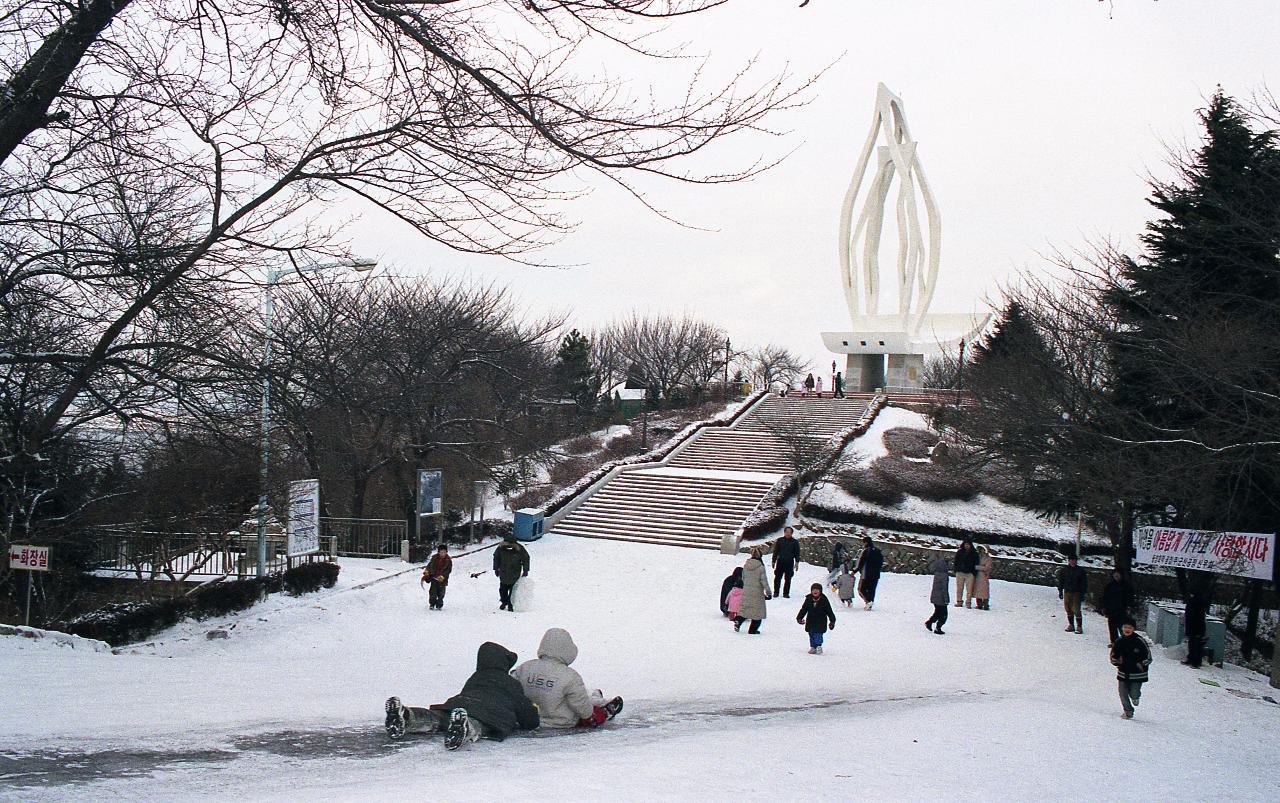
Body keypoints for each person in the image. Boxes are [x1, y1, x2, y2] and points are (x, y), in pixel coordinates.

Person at [384, 641, 540, 749]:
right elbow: (527, 716)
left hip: (461, 703)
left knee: (438, 717)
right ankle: (465, 727)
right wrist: (533, 714)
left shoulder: (476, 677)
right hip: (491, 715)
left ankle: (408, 716)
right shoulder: (510, 682)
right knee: (478, 724)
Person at [511, 628, 623, 729]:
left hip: (528, 720)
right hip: (560, 722)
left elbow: (511, 689)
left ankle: (594, 698)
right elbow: (582, 708)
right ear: (568, 650)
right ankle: (602, 709)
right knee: (589, 711)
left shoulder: (525, 668)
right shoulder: (570, 676)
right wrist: (591, 715)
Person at [1109, 618, 1151, 720]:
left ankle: (1136, 697)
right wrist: (1116, 661)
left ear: (1134, 629)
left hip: (1138, 674)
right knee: (1122, 693)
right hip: (1123, 672)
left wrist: (1141, 664)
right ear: (1122, 628)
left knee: (1134, 692)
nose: (1127, 629)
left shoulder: (1140, 641)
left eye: (1130, 628)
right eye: (1125, 627)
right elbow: (1113, 655)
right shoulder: (1119, 641)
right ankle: (1128, 711)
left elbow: (1148, 657)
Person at [734, 547, 772, 634]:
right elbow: (764, 581)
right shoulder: (760, 567)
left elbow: (743, 578)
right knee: (757, 613)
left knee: (745, 609)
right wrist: (768, 592)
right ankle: (753, 630)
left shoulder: (746, 565)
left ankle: (738, 621)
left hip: (747, 590)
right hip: (757, 592)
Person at [796, 583, 837, 654]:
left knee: (818, 634)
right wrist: (799, 618)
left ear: (820, 591)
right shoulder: (808, 599)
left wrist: (832, 621)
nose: (815, 591)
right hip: (810, 620)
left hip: (820, 621)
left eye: (817, 590)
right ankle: (813, 647)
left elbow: (829, 611)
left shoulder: (824, 600)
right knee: (811, 634)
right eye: (813, 590)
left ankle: (818, 646)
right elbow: (804, 609)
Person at [493, 533, 530, 612]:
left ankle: (510, 604)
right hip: (503, 572)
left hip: (515, 572)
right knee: (502, 590)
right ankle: (504, 602)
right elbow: (496, 557)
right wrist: (496, 568)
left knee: (513, 591)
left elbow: (526, 558)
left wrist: (526, 570)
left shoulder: (520, 549)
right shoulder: (500, 548)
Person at [1101, 570, 1134, 644]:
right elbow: (1105, 597)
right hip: (1111, 609)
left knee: (1123, 626)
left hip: (1122, 609)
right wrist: (1104, 607)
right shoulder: (1109, 586)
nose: (1116, 576)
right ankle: (1114, 642)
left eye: (1118, 575)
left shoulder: (1127, 586)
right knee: (1112, 627)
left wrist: (1129, 607)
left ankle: (1125, 641)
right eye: (1115, 575)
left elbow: (1130, 597)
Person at [1056, 556, 1088, 634]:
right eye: (1071, 560)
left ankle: (1079, 626)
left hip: (1077, 592)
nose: (1073, 562)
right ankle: (1071, 625)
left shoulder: (1080, 571)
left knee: (1076, 609)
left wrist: (1083, 593)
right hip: (1067, 591)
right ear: (1069, 561)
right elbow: (1061, 581)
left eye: (1074, 560)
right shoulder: (1064, 570)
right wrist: (1060, 591)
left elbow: (1084, 583)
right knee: (1068, 609)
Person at [853, 535, 884, 610]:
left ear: (866, 542)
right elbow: (881, 563)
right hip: (876, 575)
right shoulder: (878, 551)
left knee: (861, 589)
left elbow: (861, 562)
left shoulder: (866, 551)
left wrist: (854, 571)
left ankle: (868, 601)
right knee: (872, 589)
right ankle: (870, 603)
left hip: (866, 574)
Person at [1183, 586, 1210, 668]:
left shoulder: (1196, 602)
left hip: (1195, 627)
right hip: (1195, 626)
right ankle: (1192, 660)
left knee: (1195, 645)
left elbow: (1194, 615)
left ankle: (1195, 662)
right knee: (1193, 644)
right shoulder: (1198, 601)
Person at [771, 526, 801, 598]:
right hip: (780, 562)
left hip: (789, 562)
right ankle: (776, 592)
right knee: (777, 578)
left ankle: (786, 593)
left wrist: (797, 562)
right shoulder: (780, 540)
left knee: (788, 578)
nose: (788, 534)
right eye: (786, 532)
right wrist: (773, 561)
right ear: (784, 532)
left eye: (789, 532)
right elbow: (776, 551)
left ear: (792, 533)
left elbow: (797, 553)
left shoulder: (795, 542)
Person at [924, 553, 950, 634]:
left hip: (935, 597)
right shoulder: (944, 575)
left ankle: (930, 622)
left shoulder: (937, 574)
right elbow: (944, 588)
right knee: (943, 614)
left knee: (938, 612)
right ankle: (938, 627)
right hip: (941, 598)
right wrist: (946, 599)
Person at [421, 543, 453, 610]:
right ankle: (432, 604)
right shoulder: (434, 558)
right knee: (433, 592)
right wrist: (427, 572)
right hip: (434, 578)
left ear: (446, 552)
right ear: (438, 552)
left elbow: (448, 570)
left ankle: (439, 605)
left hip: (442, 579)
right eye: (441, 552)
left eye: (444, 552)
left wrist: (443, 576)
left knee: (441, 593)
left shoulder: (448, 560)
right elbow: (429, 566)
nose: (442, 554)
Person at [953, 539, 979, 608]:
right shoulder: (959, 552)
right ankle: (959, 601)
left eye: (968, 544)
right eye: (965, 544)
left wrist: (973, 573)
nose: (966, 545)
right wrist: (956, 569)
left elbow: (976, 563)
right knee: (959, 588)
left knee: (969, 589)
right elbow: (956, 561)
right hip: (960, 572)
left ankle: (968, 603)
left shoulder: (974, 553)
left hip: (969, 574)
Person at [972, 545, 993, 611]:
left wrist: (977, 567)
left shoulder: (988, 558)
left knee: (985, 590)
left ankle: (986, 604)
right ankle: (979, 604)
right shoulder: (977, 557)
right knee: (977, 590)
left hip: (984, 576)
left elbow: (986, 567)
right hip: (977, 576)